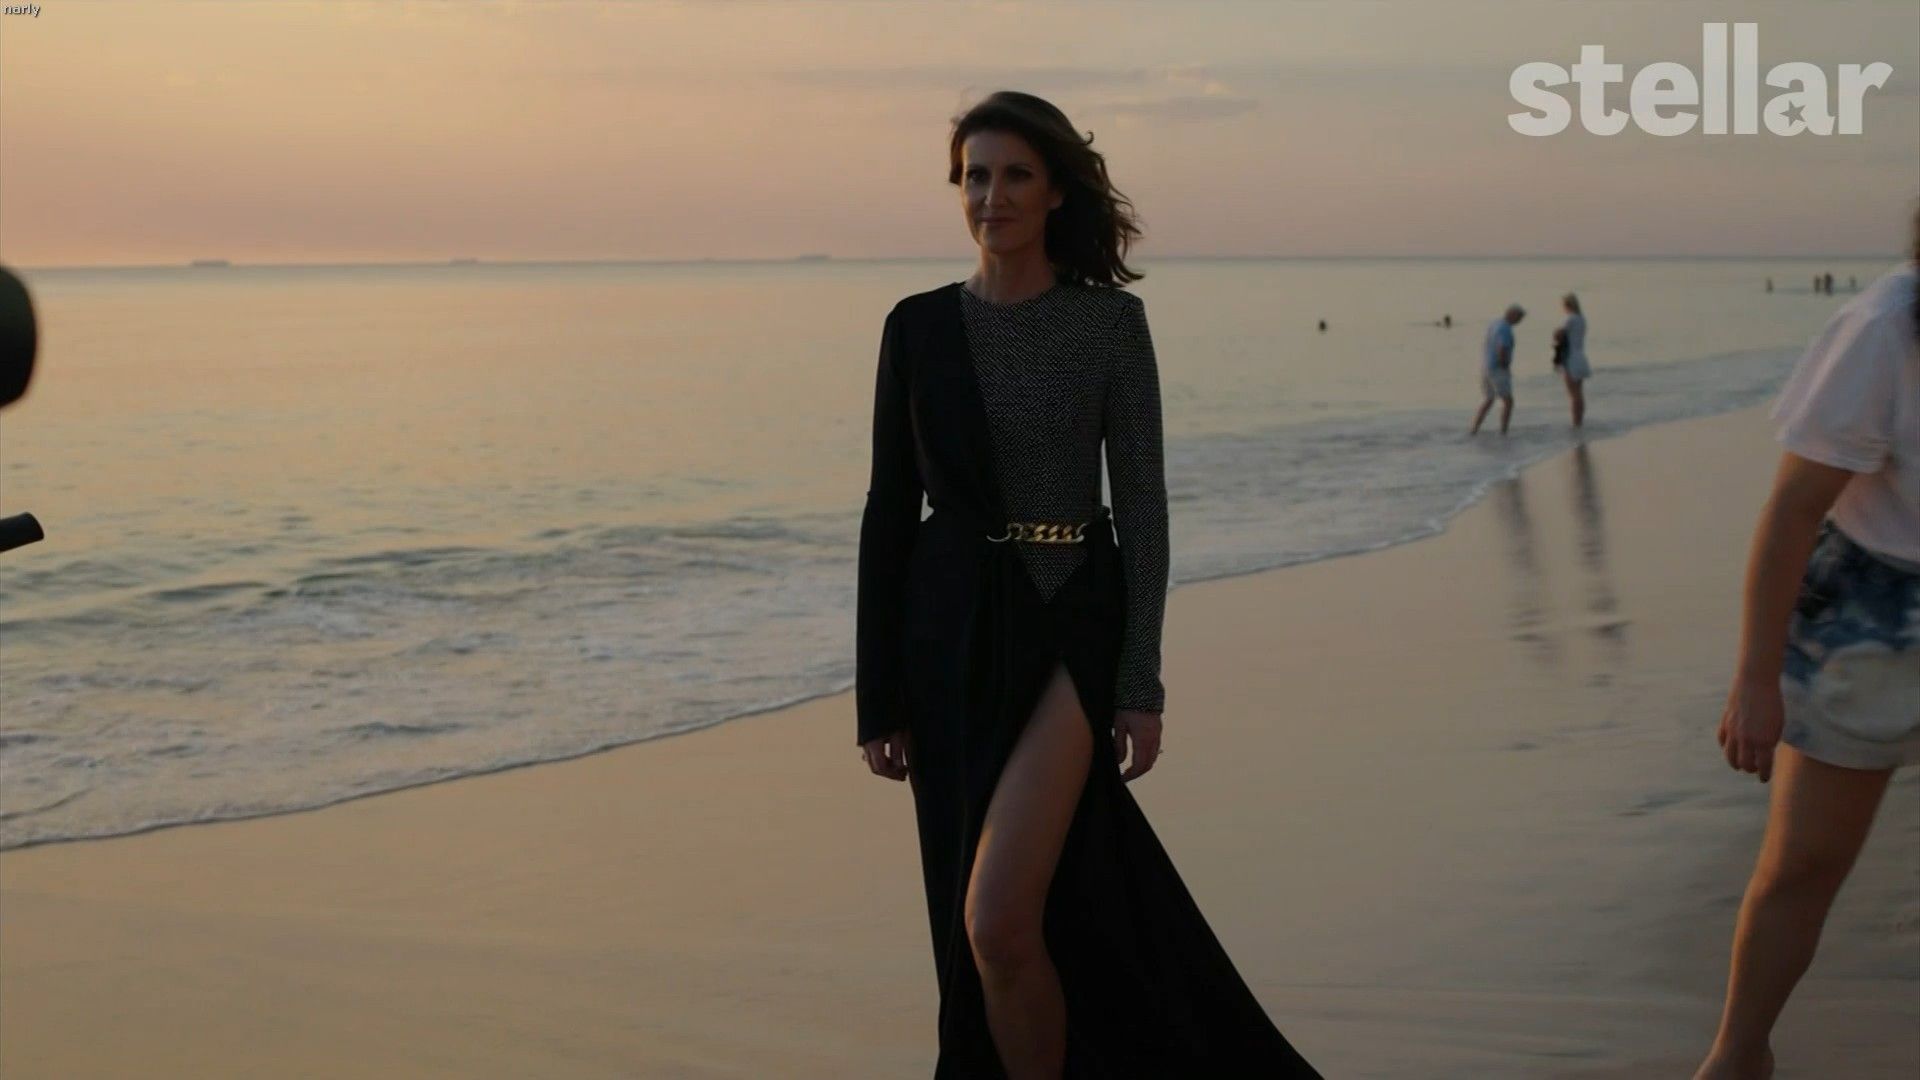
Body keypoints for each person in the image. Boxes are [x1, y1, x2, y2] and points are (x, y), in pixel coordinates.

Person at [855, 90, 1320, 1078]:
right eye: (976, 176)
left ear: (1057, 191)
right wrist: (877, 695)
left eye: (1016, 175)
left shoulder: (1109, 326)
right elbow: (889, 512)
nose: (993, 196)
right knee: (996, 927)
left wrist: (1140, 681)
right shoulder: (917, 328)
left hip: (1071, 619)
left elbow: (1143, 508)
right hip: (950, 641)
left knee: (997, 917)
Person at [1695, 208, 1920, 1080]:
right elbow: (1793, 509)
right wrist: (1757, 680)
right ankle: (1738, 1055)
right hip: (1867, 621)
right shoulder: (1882, 329)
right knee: (1803, 866)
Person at [1470, 303, 1524, 436]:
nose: (1520, 321)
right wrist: (1504, 365)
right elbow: (1502, 348)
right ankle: (1503, 431)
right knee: (1508, 401)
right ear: (1512, 315)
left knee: (1489, 399)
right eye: (1519, 317)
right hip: (1498, 369)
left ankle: (1474, 429)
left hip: (1486, 367)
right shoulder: (1505, 328)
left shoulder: (1494, 324)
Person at [1557, 292, 1591, 428]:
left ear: (1567, 305)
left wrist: (1556, 334)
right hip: (1580, 356)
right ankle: (1580, 421)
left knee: (1573, 394)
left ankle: (1576, 423)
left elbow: (1560, 335)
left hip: (1570, 358)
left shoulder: (1570, 319)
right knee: (1579, 393)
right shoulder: (1582, 319)